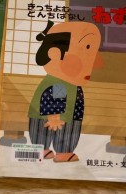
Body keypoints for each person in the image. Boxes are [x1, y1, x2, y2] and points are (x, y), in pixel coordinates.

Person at [28, 20, 103, 163]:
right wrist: (54, 117)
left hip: (68, 115)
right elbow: (54, 102)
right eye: (86, 48)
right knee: (55, 128)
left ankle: (56, 151)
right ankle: (51, 150)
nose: (94, 62)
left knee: (69, 127)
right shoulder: (60, 82)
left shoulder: (71, 83)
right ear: (55, 54)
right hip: (55, 116)